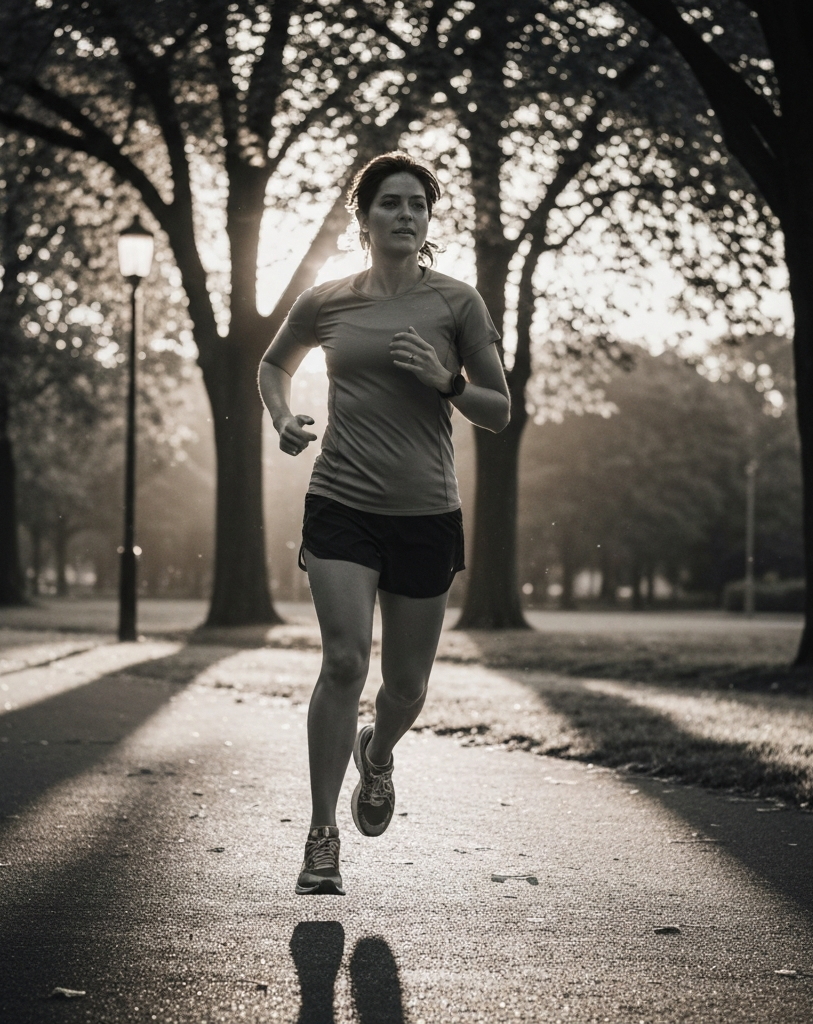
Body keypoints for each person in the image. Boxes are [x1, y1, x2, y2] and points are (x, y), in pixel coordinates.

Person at [258, 152, 510, 895]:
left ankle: (380, 750)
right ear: (363, 216)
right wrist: (281, 417)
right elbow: (273, 365)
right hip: (340, 501)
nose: (406, 215)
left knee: (404, 687)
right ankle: (320, 835)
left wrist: (448, 381)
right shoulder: (327, 300)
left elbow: (498, 411)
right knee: (343, 662)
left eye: (418, 206)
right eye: (391, 203)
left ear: (428, 222)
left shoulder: (458, 304)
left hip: (426, 513)